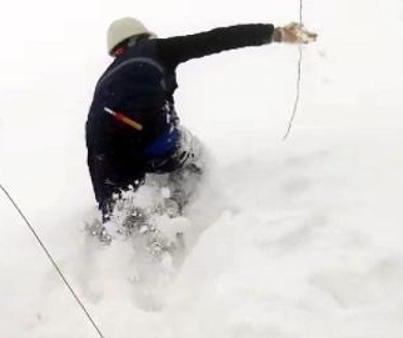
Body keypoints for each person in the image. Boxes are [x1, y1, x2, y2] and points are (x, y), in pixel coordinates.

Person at [85, 18, 317, 220]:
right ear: (143, 37)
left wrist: (106, 206)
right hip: (152, 135)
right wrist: (275, 33)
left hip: (103, 145)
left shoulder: (105, 80)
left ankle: (117, 246)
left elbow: (95, 136)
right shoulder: (157, 49)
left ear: (116, 50)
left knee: (117, 215)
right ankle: (189, 212)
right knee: (195, 157)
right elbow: (215, 39)